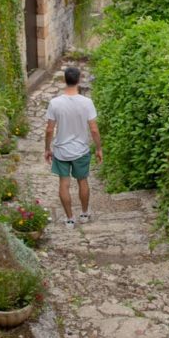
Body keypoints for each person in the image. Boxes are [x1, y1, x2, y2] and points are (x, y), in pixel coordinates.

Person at [44, 65, 103, 227]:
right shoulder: (87, 103)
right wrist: (98, 148)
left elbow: (49, 129)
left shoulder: (55, 103)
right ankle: (84, 214)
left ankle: (70, 218)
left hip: (61, 151)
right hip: (81, 150)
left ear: (65, 80)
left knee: (64, 183)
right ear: (78, 80)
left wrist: (47, 149)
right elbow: (94, 129)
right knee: (82, 181)